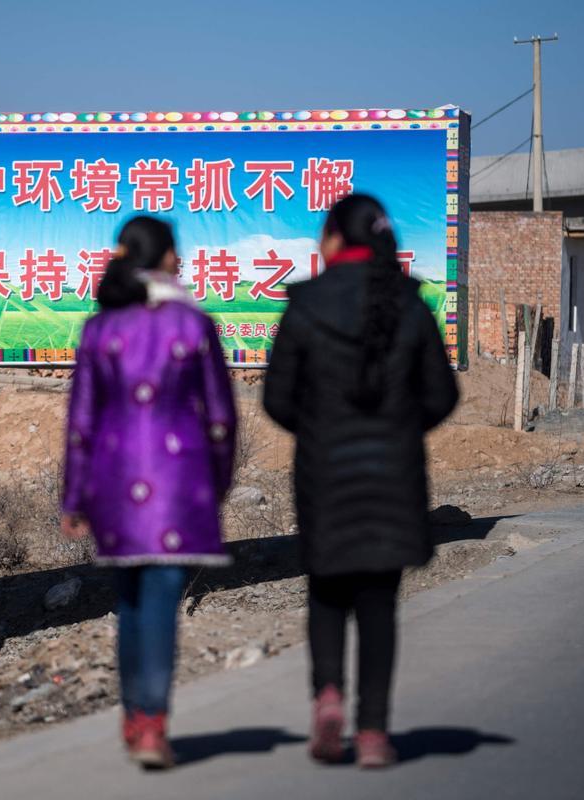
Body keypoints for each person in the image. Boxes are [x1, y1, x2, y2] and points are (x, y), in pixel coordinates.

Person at [262, 194, 459, 768]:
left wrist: (319, 431)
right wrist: (400, 429)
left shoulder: (305, 306)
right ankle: (372, 730)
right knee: (378, 603)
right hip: (393, 476)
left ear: (332, 241)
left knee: (326, 591)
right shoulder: (411, 306)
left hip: (326, 476)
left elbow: (277, 399)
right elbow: (442, 396)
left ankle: (328, 698)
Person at [60, 215, 236, 769]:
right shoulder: (193, 325)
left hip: (112, 483)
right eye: (175, 253)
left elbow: (81, 421)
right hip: (180, 483)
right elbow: (222, 419)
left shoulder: (99, 329)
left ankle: (135, 716)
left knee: (130, 601)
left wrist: (73, 495)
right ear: (166, 260)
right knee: (160, 599)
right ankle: (153, 724)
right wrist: (218, 482)